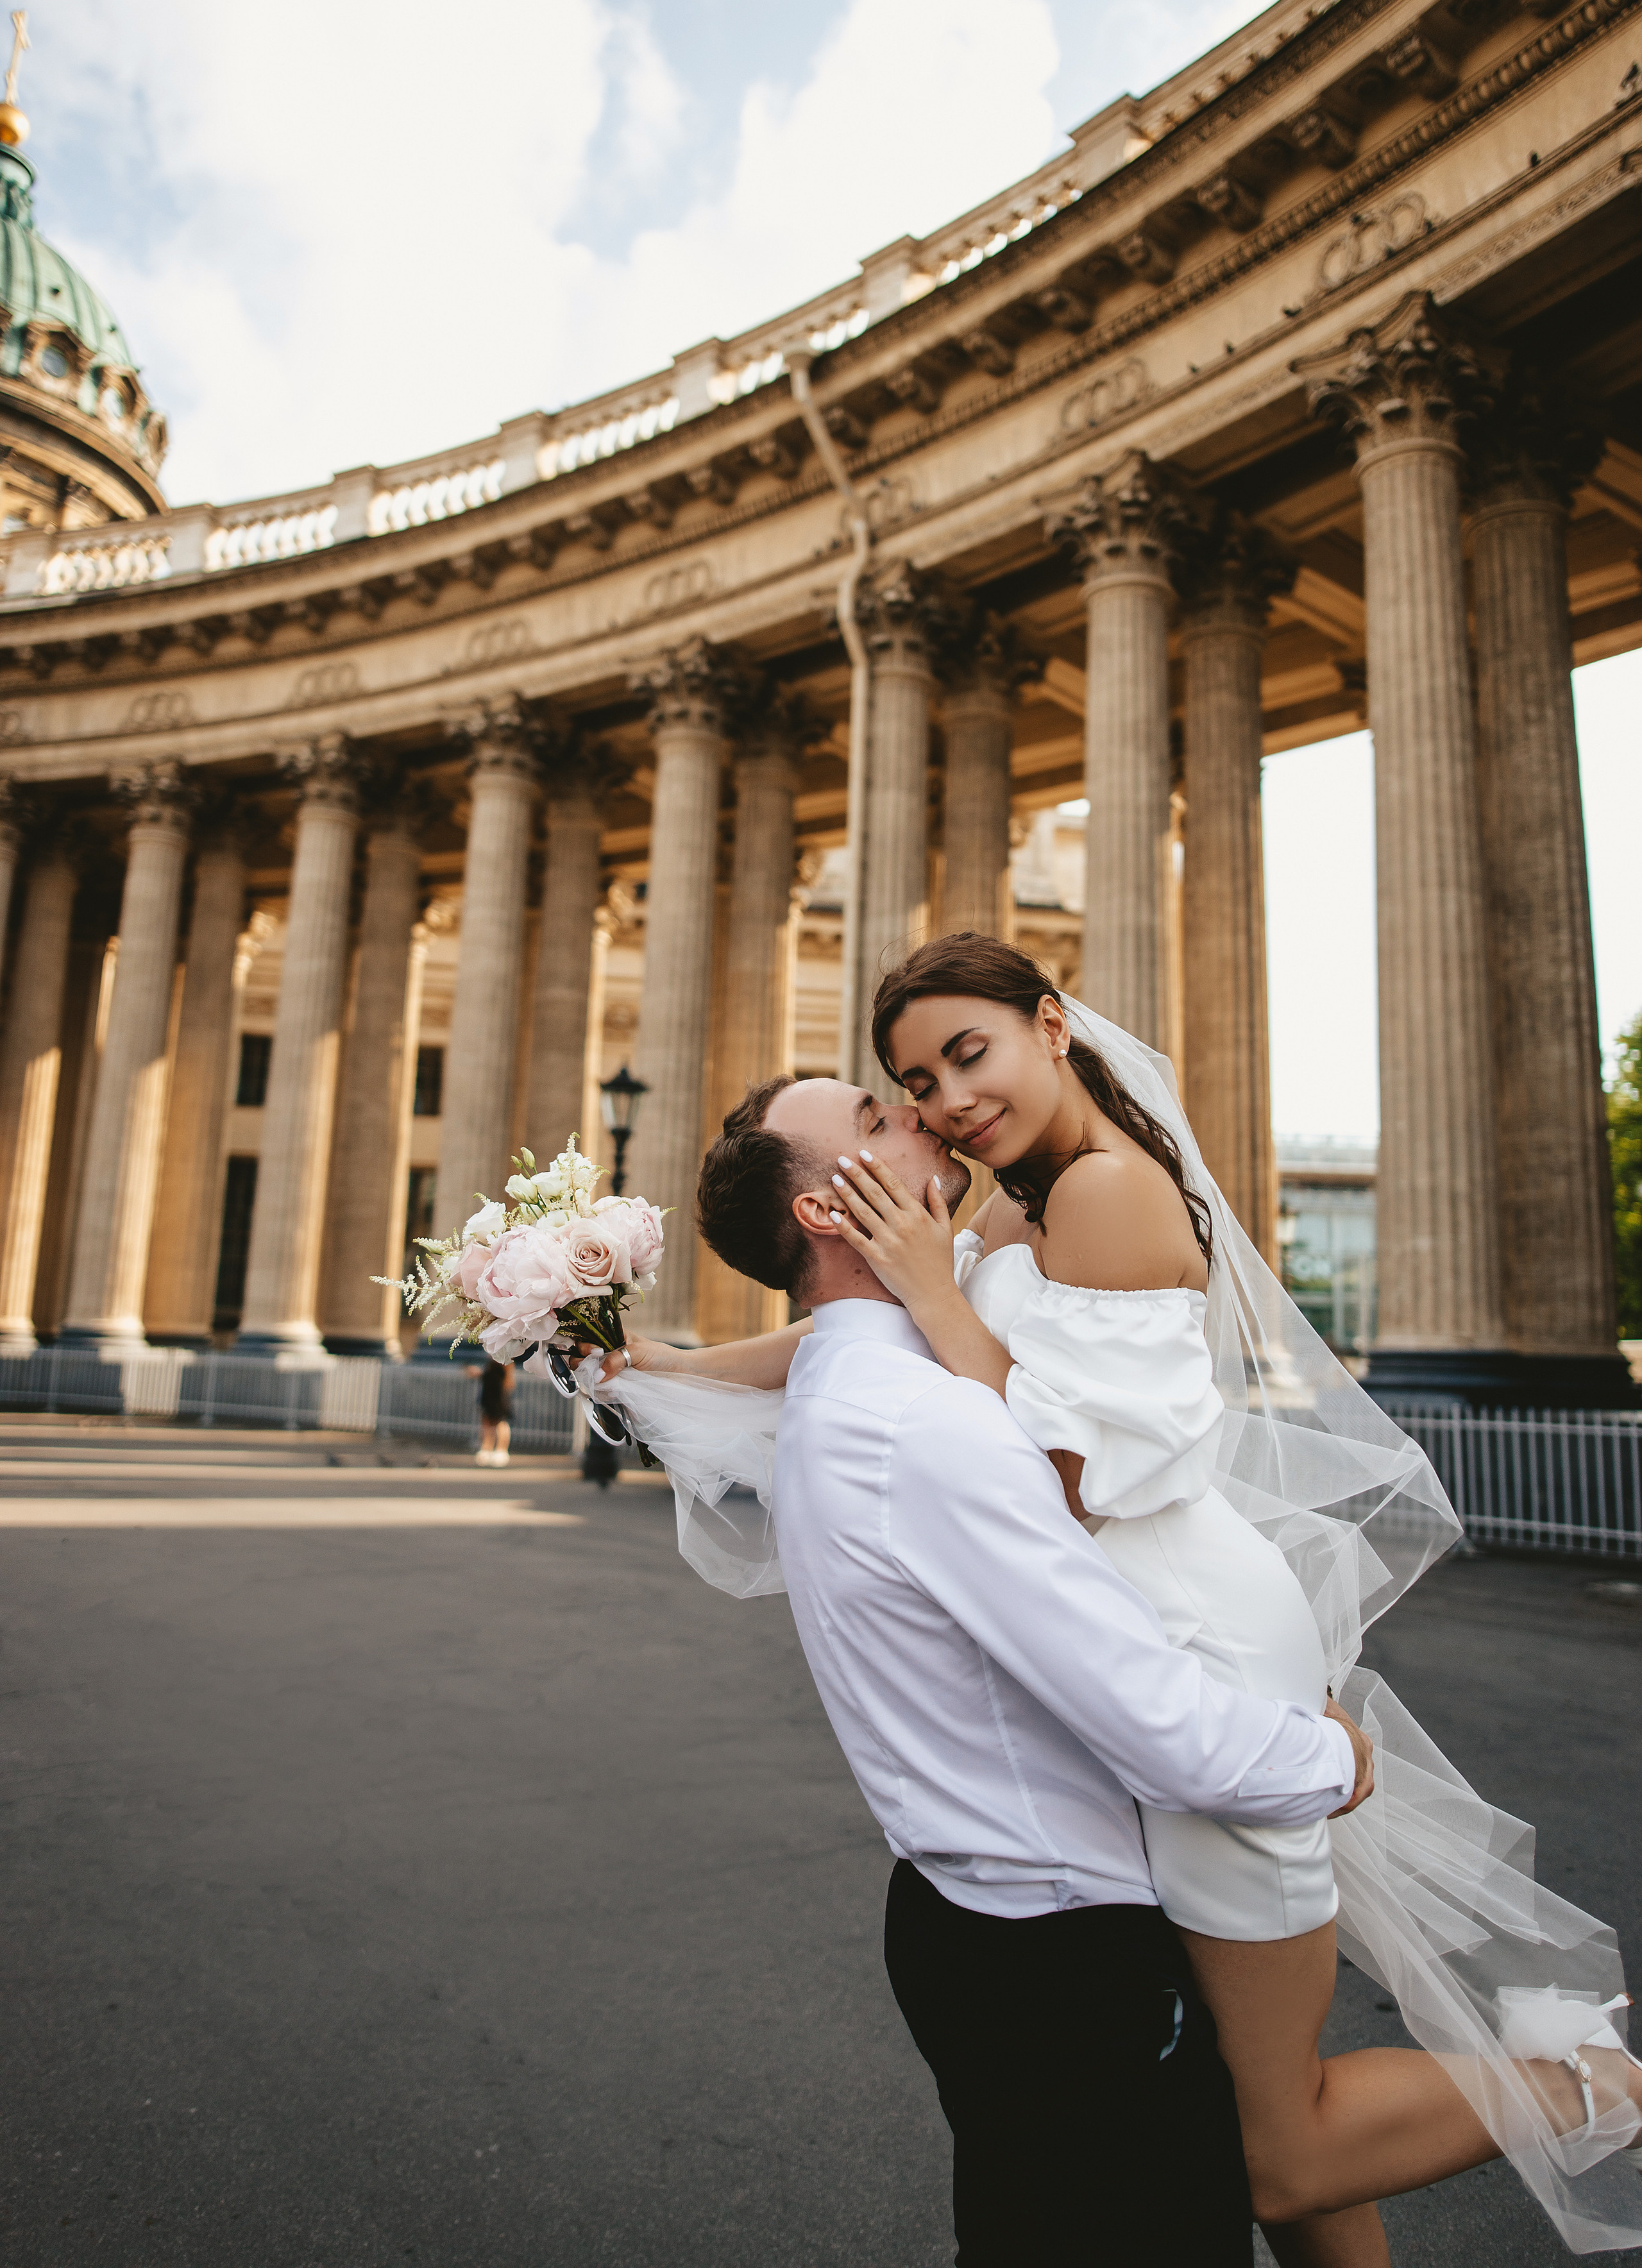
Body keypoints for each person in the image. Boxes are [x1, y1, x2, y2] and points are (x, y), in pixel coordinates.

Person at [589, 937, 1642, 2261]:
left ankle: (1596, 2089)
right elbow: (841, 1329)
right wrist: (664, 1366)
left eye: (966, 1055)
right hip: (1149, 1612)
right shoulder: (997, 1208)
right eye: (910, 1081)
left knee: (1279, 2145)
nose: (941, 1102)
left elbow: (1065, 1474)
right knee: (1272, 2088)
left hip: (1192, 1627)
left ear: (1051, 1025)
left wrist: (922, 1287)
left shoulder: (1105, 1192)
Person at [476, 1352, 513, 1465]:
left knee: (501, 1424)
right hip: (489, 1398)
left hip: (498, 1399)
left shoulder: (503, 1365)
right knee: (487, 1424)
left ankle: (501, 1450)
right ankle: (486, 1448)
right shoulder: (492, 1365)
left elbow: (505, 1381)